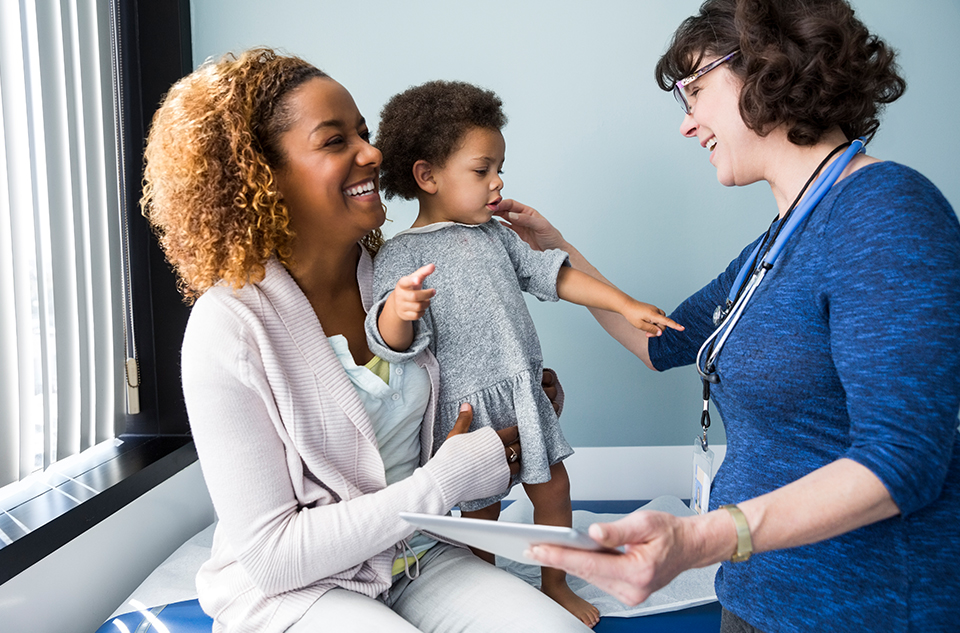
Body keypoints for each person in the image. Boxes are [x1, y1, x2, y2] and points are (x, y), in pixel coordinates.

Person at [501, 1, 960, 631]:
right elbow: (656, 343)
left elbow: (904, 460)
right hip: (753, 600)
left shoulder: (885, 211)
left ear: (768, 68)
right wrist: (557, 250)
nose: (687, 125)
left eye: (693, 92)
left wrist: (701, 539)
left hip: (859, 610)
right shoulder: (768, 252)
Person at [140, 48, 594, 633]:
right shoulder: (227, 327)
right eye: (334, 141)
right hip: (294, 588)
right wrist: (446, 480)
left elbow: (452, 415)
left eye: (363, 132)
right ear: (261, 176)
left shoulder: (396, 276)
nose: (374, 153)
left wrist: (516, 417)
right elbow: (275, 555)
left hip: (414, 556)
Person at [365, 80, 682, 627]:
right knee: (479, 516)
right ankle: (480, 591)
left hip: (520, 391)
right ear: (427, 176)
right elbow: (385, 342)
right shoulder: (400, 255)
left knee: (554, 490)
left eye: (500, 168)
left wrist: (624, 303)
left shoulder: (498, 236)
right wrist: (400, 308)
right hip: (467, 414)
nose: (499, 181)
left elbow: (556, 275)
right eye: (482, 169)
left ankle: (555, 584)